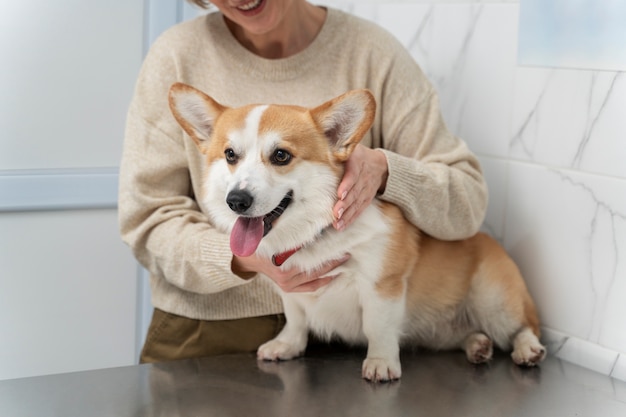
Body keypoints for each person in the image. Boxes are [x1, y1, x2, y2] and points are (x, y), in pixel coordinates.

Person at [119, 0, 488, 363]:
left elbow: (466, 204)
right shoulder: (176, 54)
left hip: (353, 337)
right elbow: (147, 219)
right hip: (205, 334)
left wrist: (386, 171)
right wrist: (242, 260)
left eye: (279, 157)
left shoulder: (373, 53)